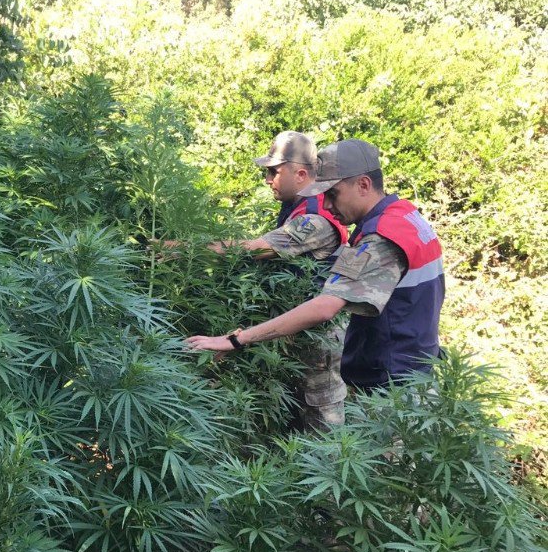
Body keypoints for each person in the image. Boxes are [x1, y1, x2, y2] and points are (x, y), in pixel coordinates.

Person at [186, 139, 444, 394]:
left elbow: (324, 307)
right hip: (413, 369)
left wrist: (236, 339)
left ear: (363, 185)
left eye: (333, 194)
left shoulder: (381, 237)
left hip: (394, 388)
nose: (328, 205)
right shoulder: (407, 216)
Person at [165, 131, 350, 429]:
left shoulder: (314, 218)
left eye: (273, 171)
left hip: (318, 334)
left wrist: (178, 250)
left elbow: (252, 250)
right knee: (294, 411)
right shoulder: (300, 206)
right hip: (291, 326)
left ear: (300, 173)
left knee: (321, 414)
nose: (267, 179)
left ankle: (331, 469)